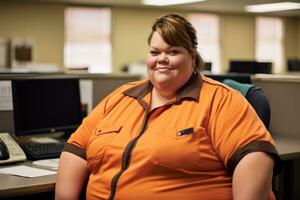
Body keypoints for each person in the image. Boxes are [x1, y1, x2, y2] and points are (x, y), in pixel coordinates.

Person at [55, 13, 281, 200]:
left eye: (173, 51)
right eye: (155, 52)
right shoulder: (120, 97)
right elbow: (76, 149)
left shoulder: (220, 100)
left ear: (192, 58)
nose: (161, 59)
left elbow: (256, 157)